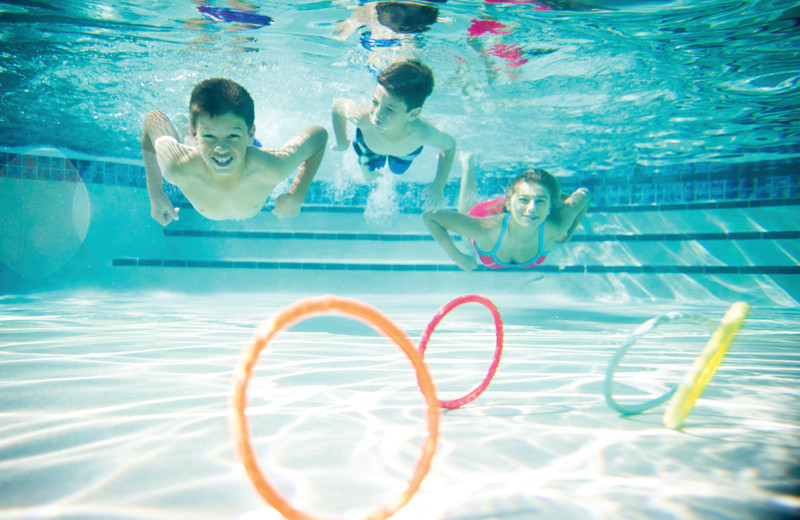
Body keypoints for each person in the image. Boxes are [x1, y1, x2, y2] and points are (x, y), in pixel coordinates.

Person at [142, 77, 327, 226]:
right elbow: (152, 120)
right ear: (196, 132)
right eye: (209, 136)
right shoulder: (178, 166)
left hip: (250, 152)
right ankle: (206, 135)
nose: (221, 148)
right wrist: (155, 194)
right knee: (190, 145)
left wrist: (296, 195)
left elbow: (319, 136)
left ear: (250, 133)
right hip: (205, 149)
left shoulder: (272, 167)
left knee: (211, 147)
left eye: (232, 135)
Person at [423, 154, 590, 271]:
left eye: (540, 201)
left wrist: (568, 234)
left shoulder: (556, 227)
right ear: (509, 203)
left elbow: (584, 194)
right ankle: (468, 164)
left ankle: (530, 198)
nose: (532, 208)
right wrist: (457, 257)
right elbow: (430, 216)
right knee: (467, 239)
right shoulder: (485, 229)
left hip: (514, 211)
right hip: (485, 216)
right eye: (525, 200)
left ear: (549, 208)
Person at [331, 59, 456, 212]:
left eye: (390, 109)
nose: (377, 114)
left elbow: (450, 146)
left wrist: (438, 185)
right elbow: (337, 105)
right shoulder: (363, 118)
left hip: (405, 152)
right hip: (369, 146)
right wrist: (341, 140)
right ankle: (369, 169)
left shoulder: (422, 132)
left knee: (398, 170)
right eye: (375, 102)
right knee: (368, 175)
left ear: (413, 114)